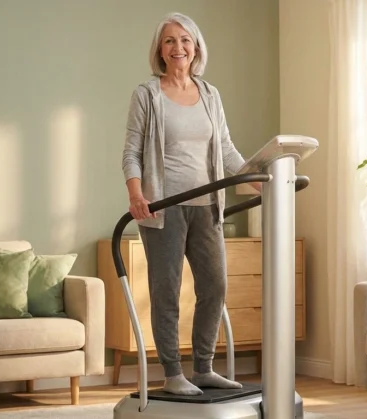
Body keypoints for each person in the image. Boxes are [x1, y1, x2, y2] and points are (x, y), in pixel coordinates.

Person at [121, 12, 261, 396]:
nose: (178, 47)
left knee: (214, 286)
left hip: (208, 206)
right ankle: (172, 373)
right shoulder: (147, 95)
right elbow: (131, 152)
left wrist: (258, 180)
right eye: (169, 41)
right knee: (166, 291)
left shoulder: (210, 95)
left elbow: (227, 151)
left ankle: (202, 368)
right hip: (163, 209)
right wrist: (137, 195)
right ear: (160, 51)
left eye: (185, 39)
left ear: (196, 46)